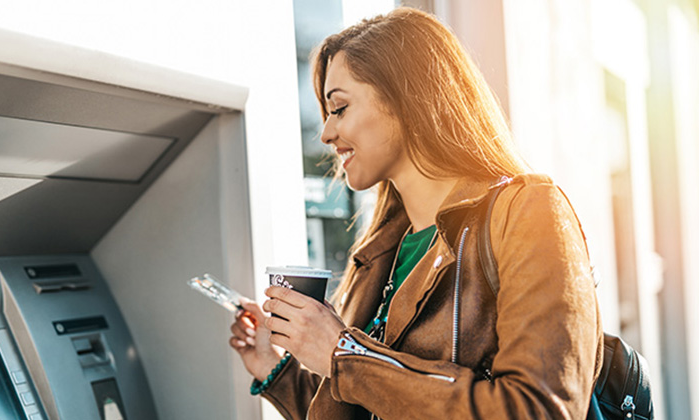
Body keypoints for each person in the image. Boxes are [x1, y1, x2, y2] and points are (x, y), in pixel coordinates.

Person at [229, 7, 602, 419]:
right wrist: (278, 370)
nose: (326, 133)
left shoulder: (528, 212)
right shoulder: (381, 250)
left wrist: (344, 354)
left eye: (339, 108)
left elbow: (536, 410)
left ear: (406, 99)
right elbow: (370, 404)